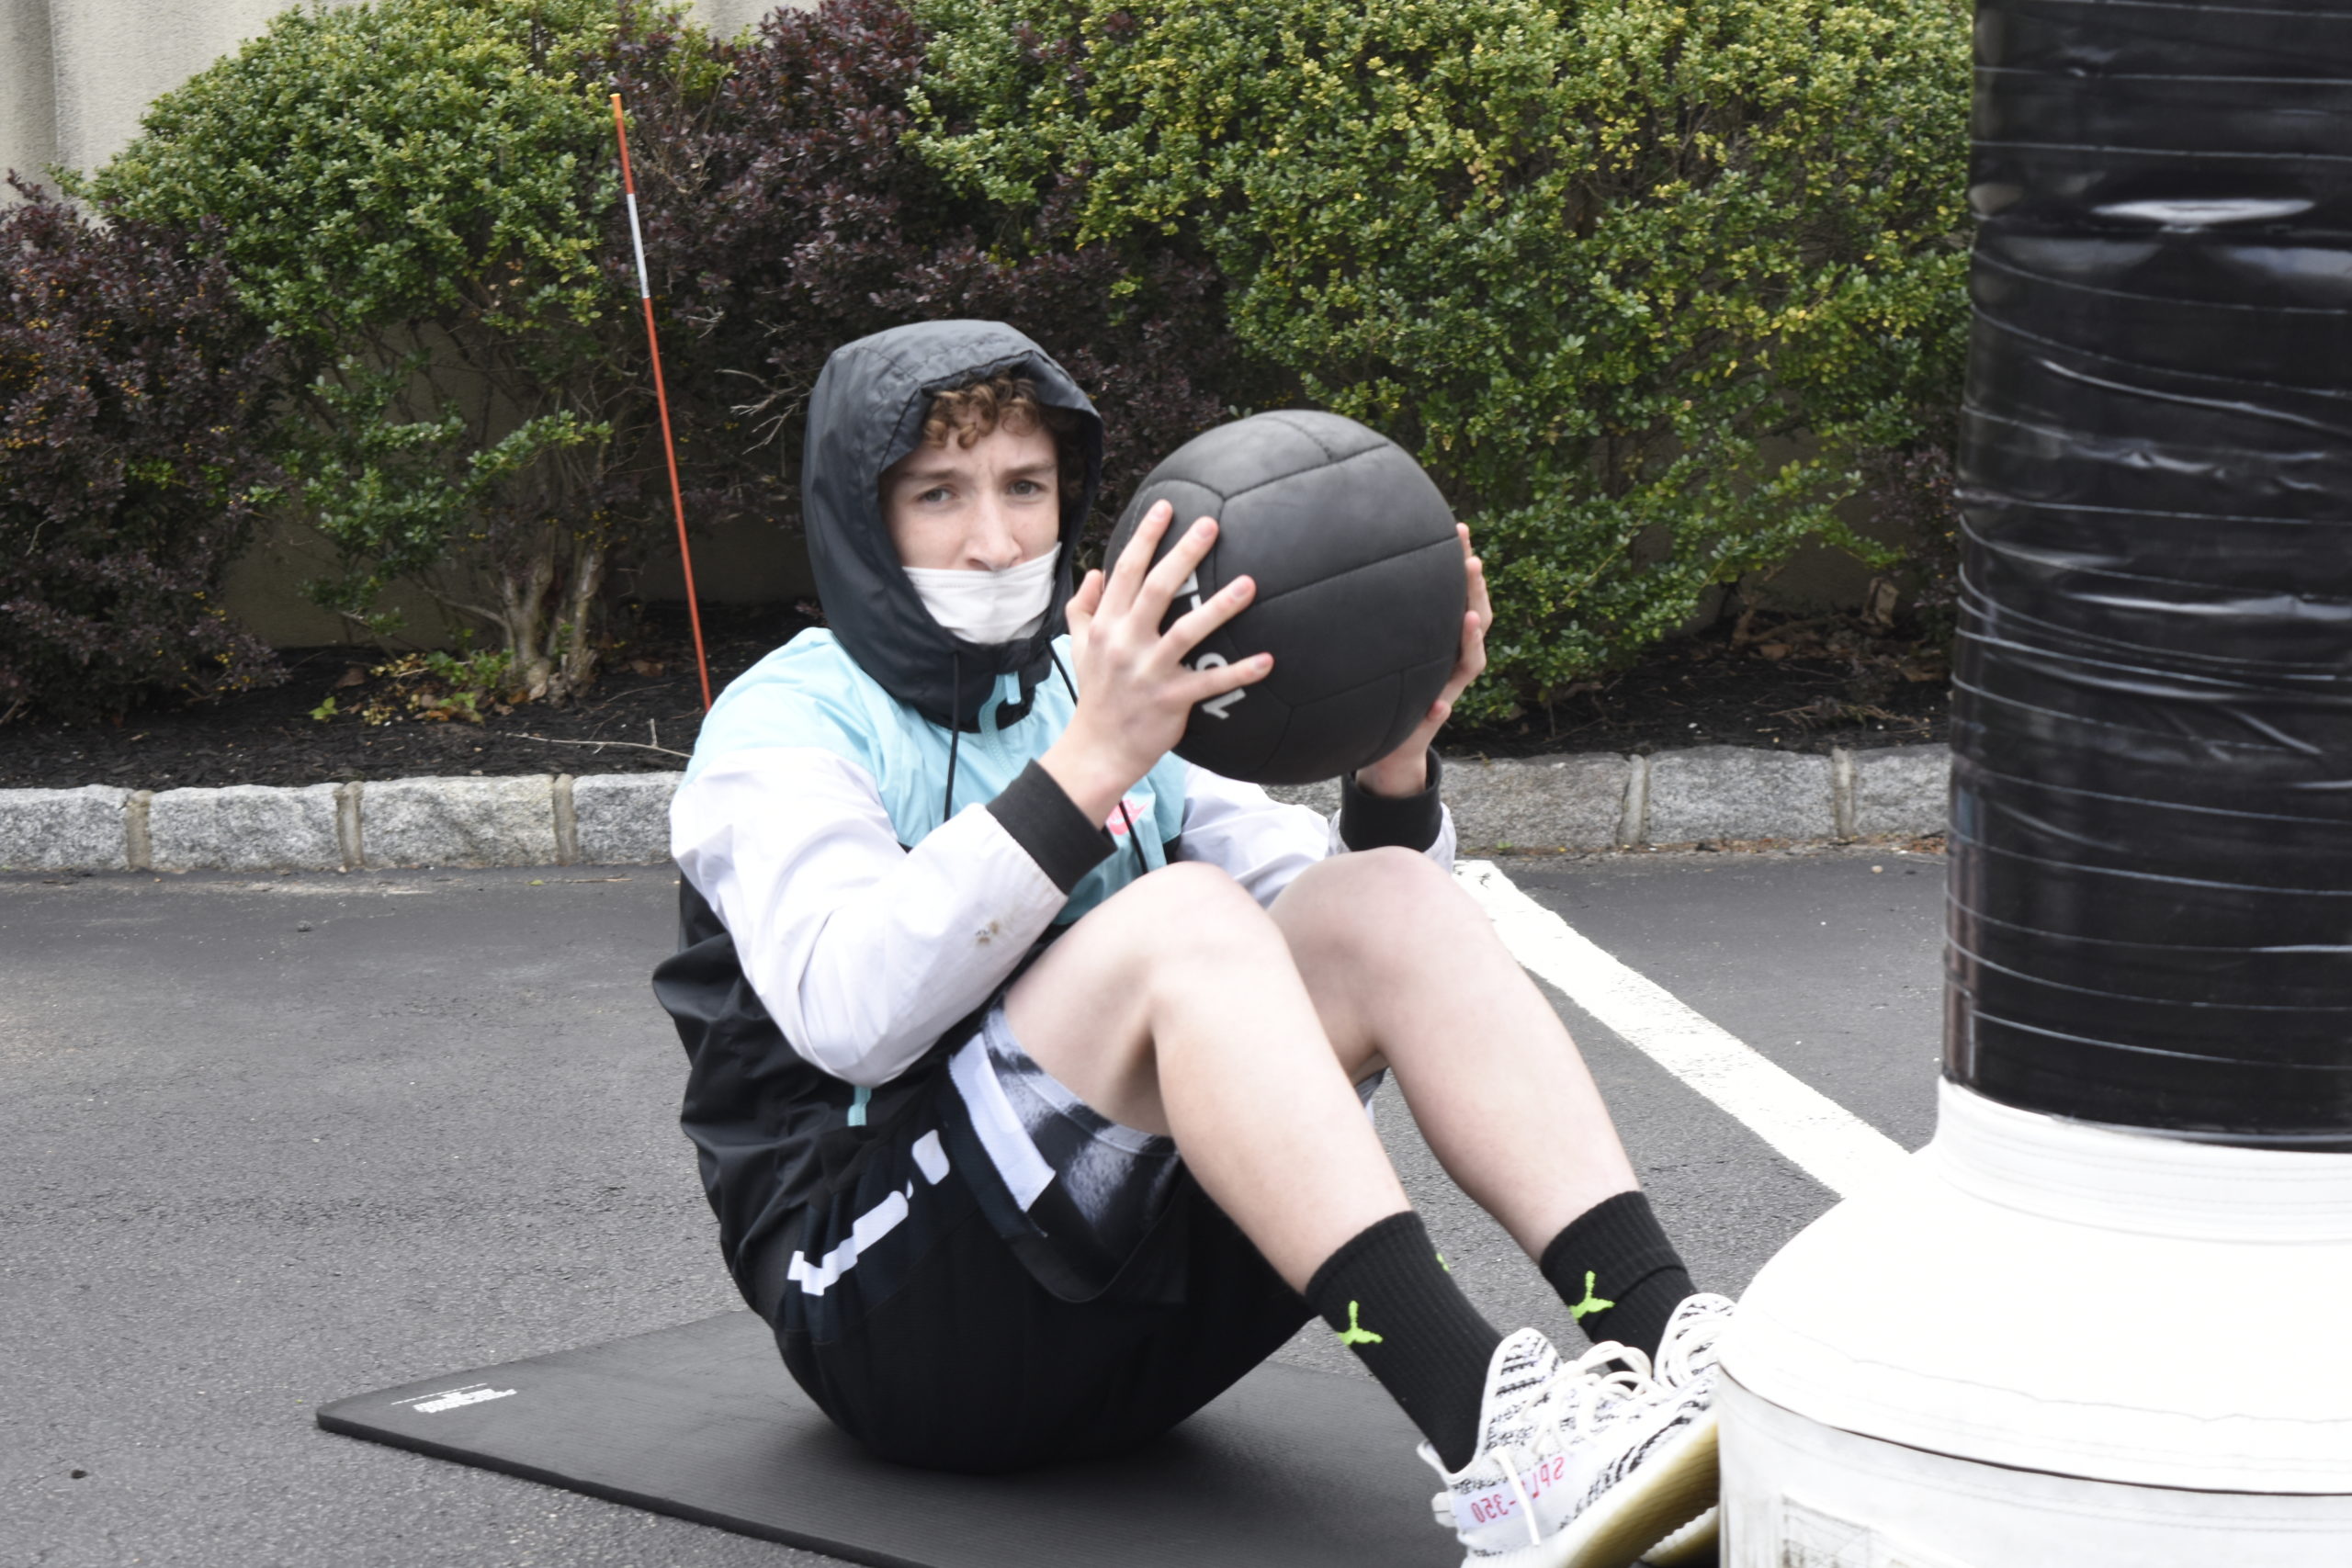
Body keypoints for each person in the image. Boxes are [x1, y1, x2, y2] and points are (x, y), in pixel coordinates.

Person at [655, 320, 1731, 1567]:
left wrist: (1393, 762)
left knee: (1389, 900)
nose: (997, 539)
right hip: (898, 1322)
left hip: (1146, 1321)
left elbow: (1367, 940)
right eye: (938, 495)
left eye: (1025, 488)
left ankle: (1678, 1352)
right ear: (863, 518)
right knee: (1182, 921)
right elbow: (851, 1013)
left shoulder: (1091, 681)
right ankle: (1497, 1445)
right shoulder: (785, 730)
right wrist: (1087, 770)